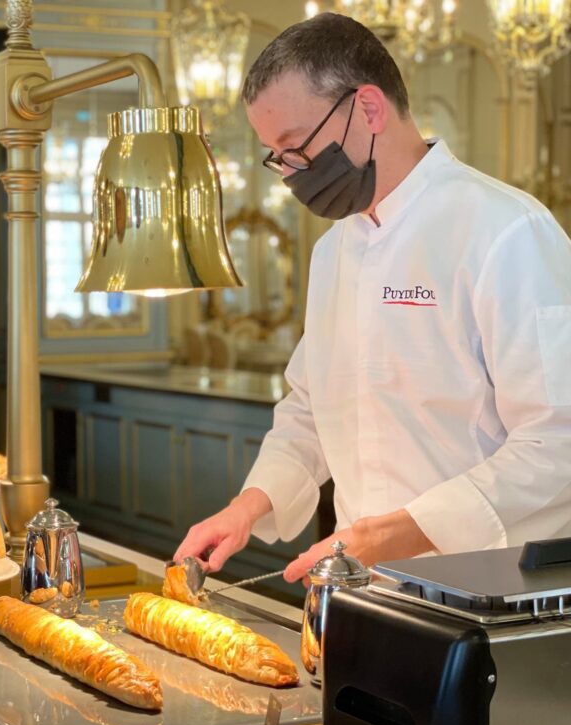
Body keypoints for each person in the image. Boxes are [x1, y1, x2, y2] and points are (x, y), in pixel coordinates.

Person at [175, 13, 571, 584]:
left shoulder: (506, 231)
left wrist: (394, 533)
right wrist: (249, 506)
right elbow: (311, 412)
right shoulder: (334, 251)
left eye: (296, 148)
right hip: (365, 583)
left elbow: (555, 440)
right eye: (276, 157)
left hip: (487, 588)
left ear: (368, 108)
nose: (290, 174)